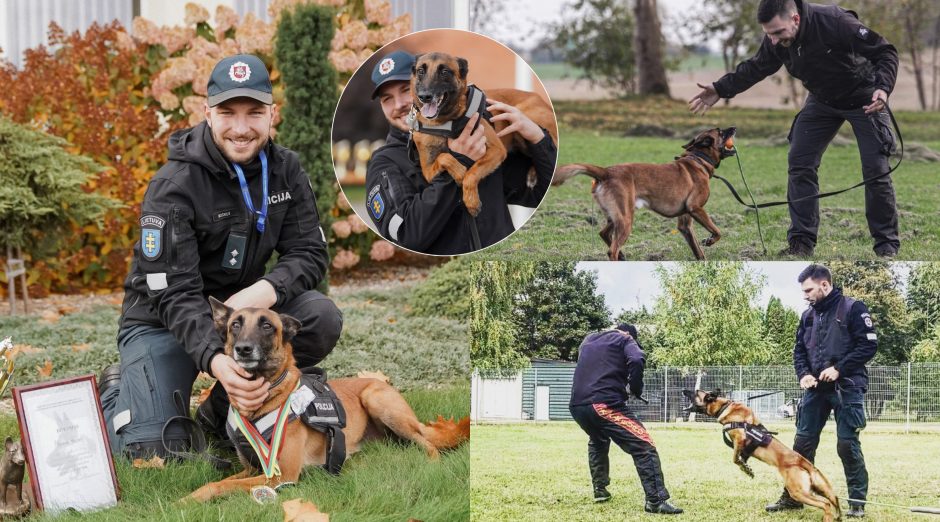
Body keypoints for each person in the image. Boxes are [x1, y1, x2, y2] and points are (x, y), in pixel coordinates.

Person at [98, 54, 343, 459]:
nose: (242, 128)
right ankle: (116, 393)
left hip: (242, 316)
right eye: (228, 112)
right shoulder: (173, 185)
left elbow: (310, 252)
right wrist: (215, 360)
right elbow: (172, 293)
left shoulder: (287, 170)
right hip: (164, 321)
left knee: (320, 316)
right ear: (207, 113)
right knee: (155, 452)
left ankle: (219, 410)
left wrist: (262, 293)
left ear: (272, 114)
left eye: (255, 113)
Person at [688, 0, 900, 258]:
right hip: (822, 101)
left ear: (795, 19)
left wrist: (883, 88)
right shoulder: (776, 39)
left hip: (866, 98)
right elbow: (757, 67)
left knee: (875, 169)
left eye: (778, 33)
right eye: (769, 34)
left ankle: (886, 246)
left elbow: (886, 52)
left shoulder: (835, 22)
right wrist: (720, 88)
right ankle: (801, 243)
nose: (774, 41)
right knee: (800, 162)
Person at [364, 50, 556, 255]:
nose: (399, 105)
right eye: (387, 99)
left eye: (404, 90)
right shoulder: (384, 163)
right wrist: (458, 161)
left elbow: (540, 194)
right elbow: (408, 236)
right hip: (450, 270)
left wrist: (539, 140)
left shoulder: (476, 129)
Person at [766, 264, 875, 517]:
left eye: (809, 290)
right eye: (803, 291)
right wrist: (803, 374)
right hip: (815, 390)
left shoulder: (853, 308)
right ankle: (793, 496)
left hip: (847, 387)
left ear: (825, 285)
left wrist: (839, 368)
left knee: (847, 445)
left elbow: (868, 346)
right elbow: (799, 351)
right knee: (801, 445)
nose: (805, 295)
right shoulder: (808, 316)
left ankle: (856, 503)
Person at [568, 324, 683, 515]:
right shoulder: (625, 339)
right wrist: (635, 388)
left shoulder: (588, 339)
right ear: (629, 334)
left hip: (577, 406)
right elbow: (637, 359)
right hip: (604, 404)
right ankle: (656, 500)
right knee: (644, 445)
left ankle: (600, 489)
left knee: (598, 439)